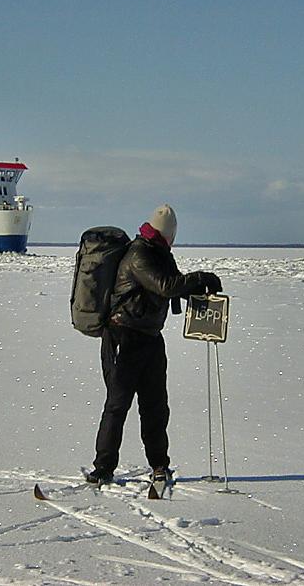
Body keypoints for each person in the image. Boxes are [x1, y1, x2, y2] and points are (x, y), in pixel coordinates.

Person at [86, 204, 222, 485]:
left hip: (149, 339)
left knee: (155, 406)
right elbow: (165, 286)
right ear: (167, 233)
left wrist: (198, 289)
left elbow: (173, 286)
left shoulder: (160, 253)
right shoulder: (139, 253)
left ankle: (159, 465)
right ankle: (103, 468)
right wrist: (200, 277)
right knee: (117, 405)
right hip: (123, 337)